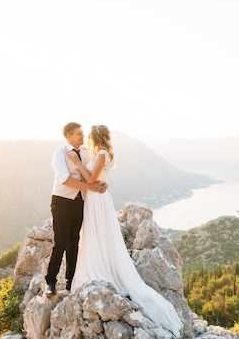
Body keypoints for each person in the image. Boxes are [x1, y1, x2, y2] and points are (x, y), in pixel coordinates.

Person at [67, 124, 182, 336]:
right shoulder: (100, 152)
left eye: (89, 136)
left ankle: (102, 268)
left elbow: (91, 179)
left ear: (95, 137)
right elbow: (92, 174)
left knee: (96, 234)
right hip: (94, 197)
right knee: (95, 235)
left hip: (96, 199)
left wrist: (75, 162)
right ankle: (100, 263)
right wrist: (80, 157)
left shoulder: (101, 153)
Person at [45, 122, 108, 296]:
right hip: (62, 201)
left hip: (80, 201)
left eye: (82, 133)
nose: (83, 136)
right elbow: (65, 179)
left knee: (74, 243)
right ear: (69, 136)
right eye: (79, 134)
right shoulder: (59, 154)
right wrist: (92, 188)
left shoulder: (86, 152)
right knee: (61, 242)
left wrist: (100, 182)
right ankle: (50, 281)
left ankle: (70, 281)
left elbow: (90, 175)